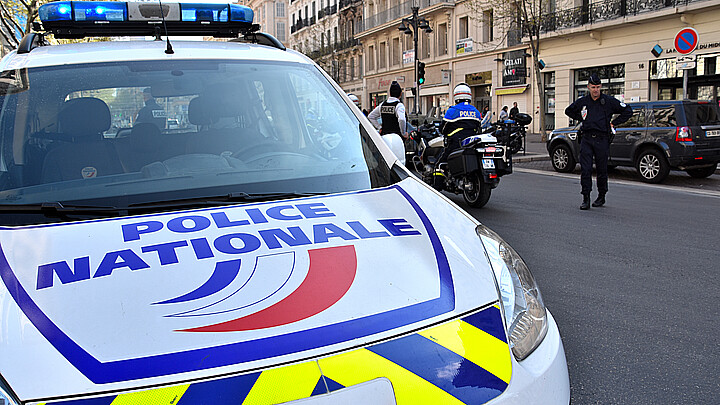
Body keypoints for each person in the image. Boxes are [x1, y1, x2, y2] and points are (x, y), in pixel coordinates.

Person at [565, 73, 632, 210]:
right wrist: (582, 118)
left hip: (602, 139)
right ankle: (586, 198)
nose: (595, 90)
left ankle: (601, 195)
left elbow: (627, 111)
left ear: (601, 87)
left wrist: (614, 123)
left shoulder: (608, 101)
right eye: (593, 87)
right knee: (586, 169)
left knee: (602, 169)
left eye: (598, 87)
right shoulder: (583, 101)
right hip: (587, 139)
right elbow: (569, 111)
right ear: (588, 87)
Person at [433, 83, 482, 190]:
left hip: (455, 144)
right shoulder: (476, 112)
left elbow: (443, 129)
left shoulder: (452, 111)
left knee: (439, 164)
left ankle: (436, 188)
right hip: (472, 145)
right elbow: (479, 128)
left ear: (456, 96)